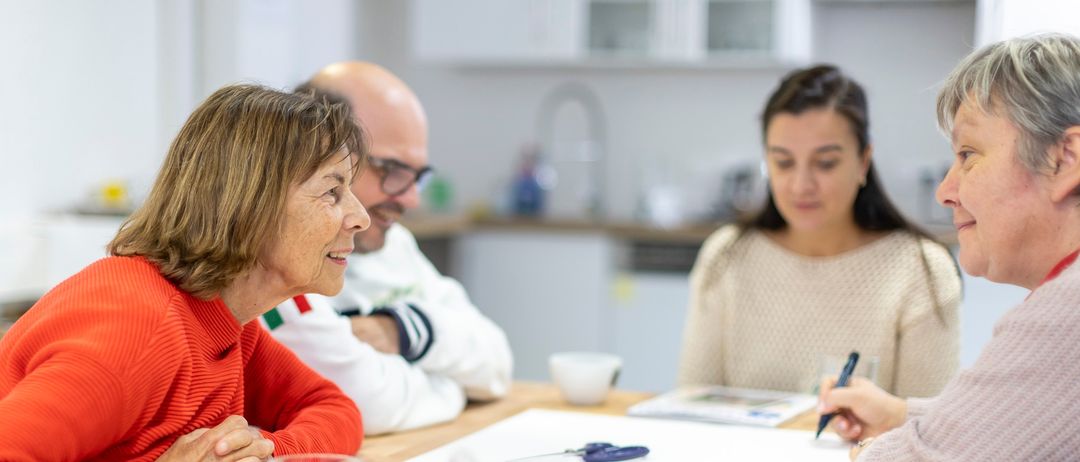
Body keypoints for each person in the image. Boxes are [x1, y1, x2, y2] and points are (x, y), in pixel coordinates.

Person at [0, 84, 369, 460]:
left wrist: (261, 452)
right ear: (251, 205)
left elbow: (335, 409)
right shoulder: (138, 331)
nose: (361, 218)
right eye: (332, 193)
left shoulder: (227, 322)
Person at [819, 33, 1080, 460]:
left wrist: (870, 448)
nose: (945, 192)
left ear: (1065, 158)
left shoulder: (1068, 309)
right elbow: (1020, 418)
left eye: (968, 155)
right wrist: (899, 415)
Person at [678, 65, 962, 398]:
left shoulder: (921, 271)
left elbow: (927, 422)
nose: (801, 185)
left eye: (825, 163)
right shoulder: (727, 255)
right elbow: (692, 402)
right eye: (783, 162)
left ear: (863, 161)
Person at [263, 62, 513, 435]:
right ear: (317, 154)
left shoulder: (394, 244)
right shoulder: (278, 262)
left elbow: (496, 362)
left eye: (418, 177)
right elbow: (363, 403)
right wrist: (454, 389)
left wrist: (402, 331)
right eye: (392, 170)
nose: (412, 199)